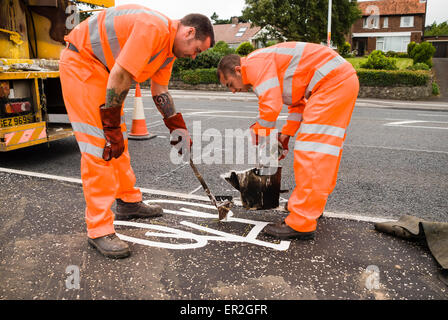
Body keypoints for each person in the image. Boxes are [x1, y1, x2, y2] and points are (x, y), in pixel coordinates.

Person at [59, 4, 215, 258]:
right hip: (83, 66)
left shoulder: (169, 50)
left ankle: (129, 202)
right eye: (197, 50)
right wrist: (109, 124)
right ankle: (99, 229)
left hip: (105, 73)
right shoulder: (153, 28)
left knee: (118, 141)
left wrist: (178, 129)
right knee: (101, 146)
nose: (195, 56)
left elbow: (160, 91)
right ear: (188, 32)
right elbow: (121, 74)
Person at [217, 42, 359, 240]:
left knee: (312, 153)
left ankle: (301, 222)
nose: (232, 90)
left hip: (331, 85)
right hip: (336, 83)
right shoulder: (270, 66)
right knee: (324, 152)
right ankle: (308, 208)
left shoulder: (254, 65)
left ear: (238, 70)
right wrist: (285, 136)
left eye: (230, 84)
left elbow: (270, 106)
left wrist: (261, 135)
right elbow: (297, 104)